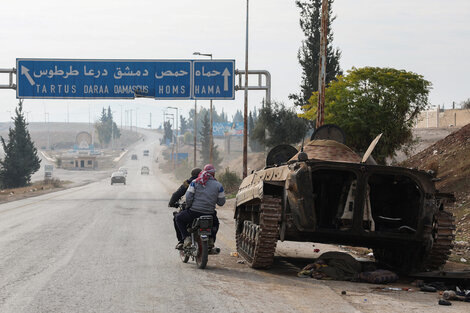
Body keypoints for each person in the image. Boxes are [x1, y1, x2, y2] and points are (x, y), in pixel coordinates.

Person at [175, 164, 225, 250]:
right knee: (215, 223)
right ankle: (211, 240)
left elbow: (188, 198)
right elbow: (221, 202)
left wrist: (189, 207)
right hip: (210, 213)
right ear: (213, 174)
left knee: (178, 218)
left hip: (194, 212)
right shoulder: (218, 185)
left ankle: (186, 238)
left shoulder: (194, 182)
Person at [169, 167, 202, 248]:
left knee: (177, 218)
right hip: (207, 209)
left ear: (192, 175)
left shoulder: (189, 182)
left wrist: (171, 203)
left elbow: (178, 193)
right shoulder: (207, 182)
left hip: (192, 209)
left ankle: (183, 240)